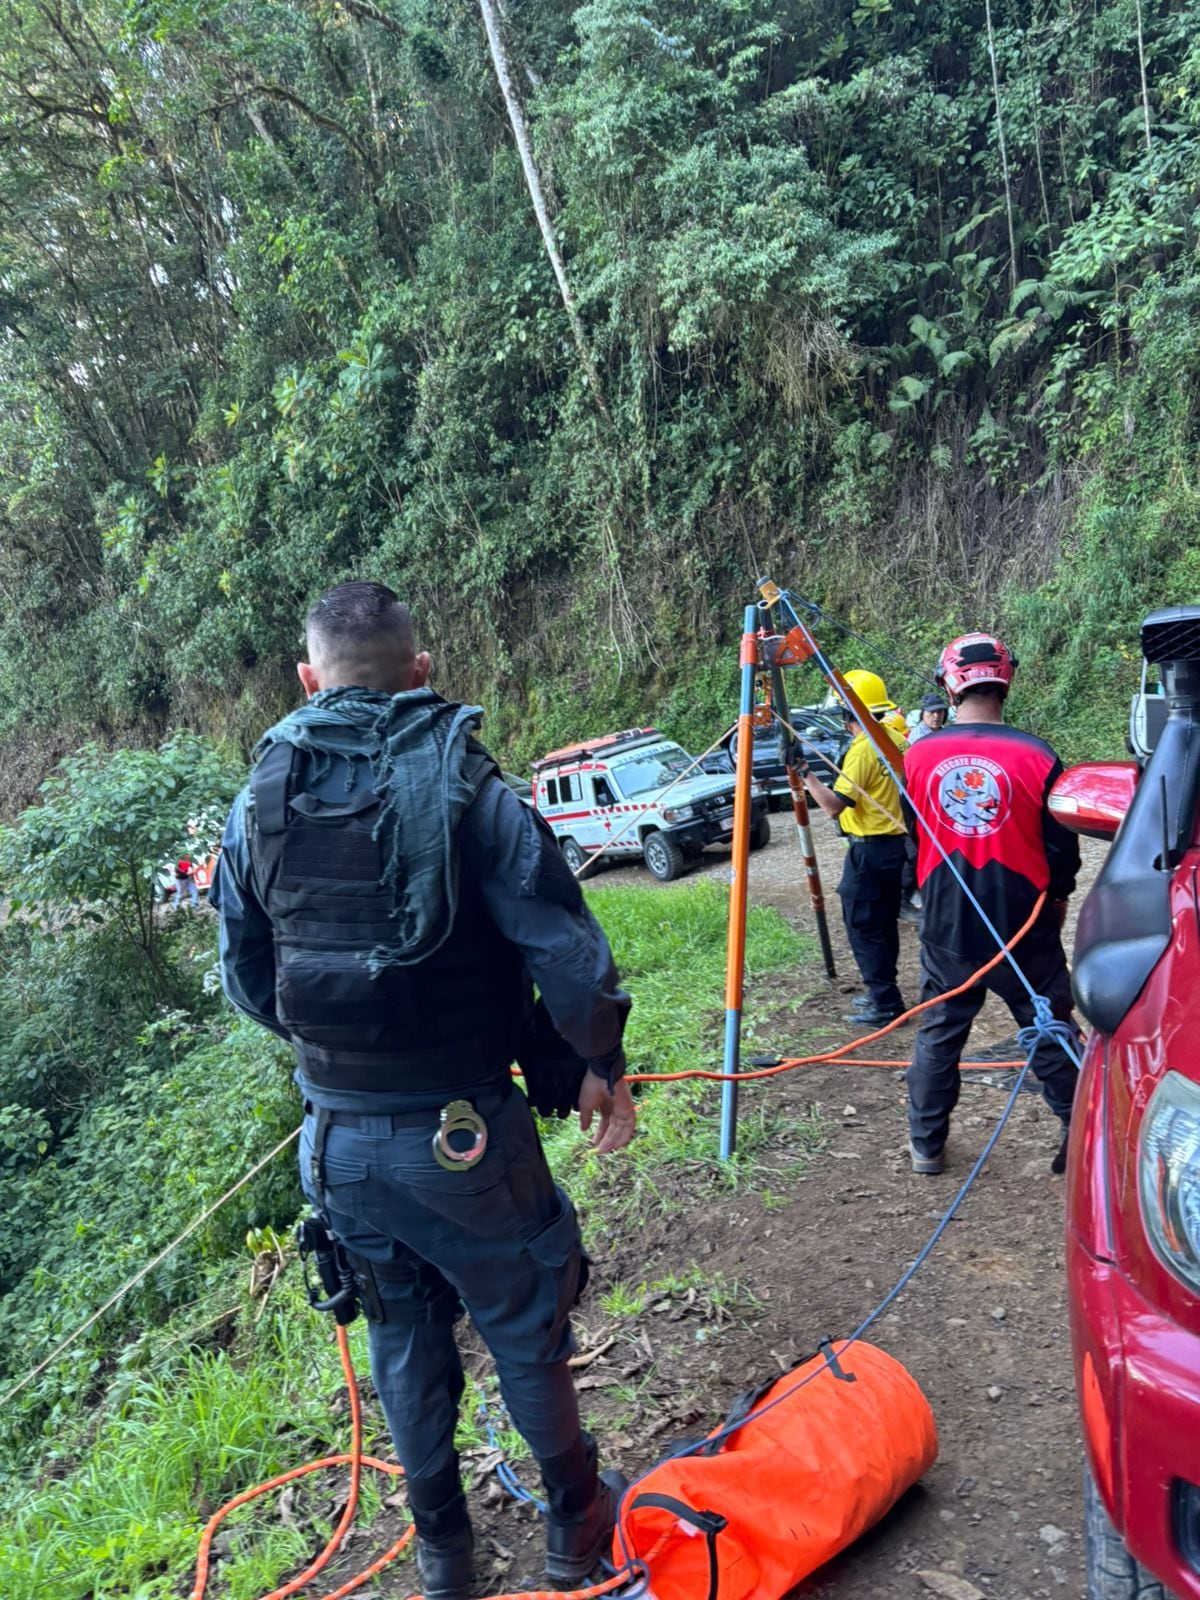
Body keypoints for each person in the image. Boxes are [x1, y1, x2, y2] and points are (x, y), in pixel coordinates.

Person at [211, 581, 637, 1599]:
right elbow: (569, 956)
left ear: (308, 679)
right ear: (421, 669)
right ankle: (576, 1527)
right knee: (527, 1318)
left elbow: (245, 977)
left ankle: (446, 1554)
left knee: (402, 1333)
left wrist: (342, 1058)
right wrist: (599, 1068)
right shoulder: (473, 789)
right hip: (465, 1137)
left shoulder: (257, 798)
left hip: (337, 1141)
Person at [902, 632, 1080, 1177]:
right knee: (1048, 1023)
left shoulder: (917, 756)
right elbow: (1061, 847)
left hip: (949, 918)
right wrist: (1060, 900)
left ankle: (926, 1145)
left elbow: (915, 840)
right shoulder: (1039, 755)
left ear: (949, 686)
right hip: (1024, 916)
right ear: (1007, 680)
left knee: (941, 1028)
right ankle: (1081, 1132)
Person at [795, 669, 908, 1027]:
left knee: (863, 926)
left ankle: (886, 1004)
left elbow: (833, 806)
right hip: (899, 847)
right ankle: (882, 994)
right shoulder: (895, 738)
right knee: (884, 924)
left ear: (848, 713)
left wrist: (805, 774)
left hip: (870, 853)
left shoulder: (861, 751)